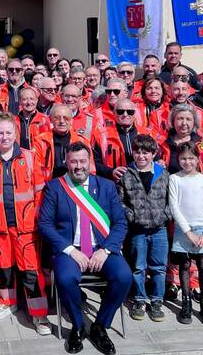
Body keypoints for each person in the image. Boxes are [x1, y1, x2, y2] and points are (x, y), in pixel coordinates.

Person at [38, 142, 131, 355]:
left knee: (124, 277)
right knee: (64, 278)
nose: (78, 166)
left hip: (102, 248)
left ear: (90, 162)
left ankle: (100, 326)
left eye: (82, 161)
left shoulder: (106, 187)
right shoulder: (55, 187)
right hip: (71, 249)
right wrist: (70, 250)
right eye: (73, 161)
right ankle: (78, 326)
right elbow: (44, 224)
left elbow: (120, 223)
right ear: (66, 162)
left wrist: (106, 250)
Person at [0, 113, 49, 334]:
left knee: (30, 270)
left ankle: (39, 314)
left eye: (8, 132)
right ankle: (7, 302)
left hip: (25, 227)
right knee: (3, 267)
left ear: (16, 134)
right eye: (0, 133)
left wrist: (36, 218)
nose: (4, 137)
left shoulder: (30, 157)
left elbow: (40, 191)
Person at [117, 134, 170, 323]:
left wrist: (165, 215)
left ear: (154, 154)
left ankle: (156, 300)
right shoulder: (126, 174)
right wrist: (131, 216)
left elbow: (171, 199)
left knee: (159, 268)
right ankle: (139, 299)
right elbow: (120, 201)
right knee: (138, 267)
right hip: (137, 230)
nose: (141, 156)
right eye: (138, 152)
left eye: (146, 153)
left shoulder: (163, 174)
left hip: (159, 229)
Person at [168, 142, 203, 327]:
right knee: (185, 264)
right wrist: (187, 232)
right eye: (183, 158)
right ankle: (186, 303)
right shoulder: (175, 179)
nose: (187, 162)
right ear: (178, 160)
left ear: (198, 159)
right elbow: (174, 206)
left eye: (191, 158)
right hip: (184, 230)